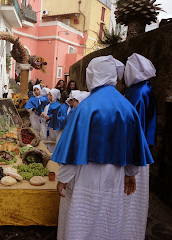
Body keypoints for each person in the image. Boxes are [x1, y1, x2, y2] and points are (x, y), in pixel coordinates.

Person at [52, 55, 154, 240]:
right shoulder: (127, 106)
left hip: (86, 175)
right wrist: (130, 174)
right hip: (114, 175)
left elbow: (74, 148)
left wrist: (63, 178)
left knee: (83, 218)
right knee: (108, 218)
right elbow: (133, 146)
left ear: (93, 74)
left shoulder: (86, 107)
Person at [123, 53, 157, 240]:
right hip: (141, 149)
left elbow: (131, 126)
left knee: (130, 195)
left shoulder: (137, 92)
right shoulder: (145, 89)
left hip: (135, 152)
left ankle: (127, 232)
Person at [40, 88, 61, 153]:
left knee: (52, 141)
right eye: (48, 95)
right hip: (46, 125)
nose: (48, 97)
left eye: (50, 95)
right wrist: (43, 113)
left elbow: (57, 115)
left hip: (52, 127)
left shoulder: (58, 105)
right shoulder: (48, 104)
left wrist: (50, 117)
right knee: (46, 140)